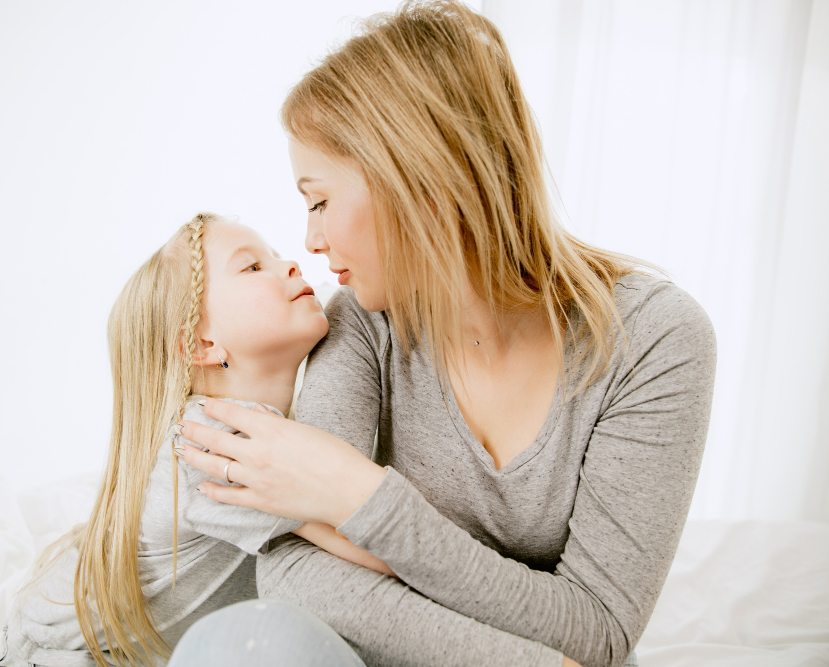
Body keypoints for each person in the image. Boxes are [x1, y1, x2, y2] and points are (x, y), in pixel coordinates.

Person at [172, 2, 718, 667]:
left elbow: (598, 630)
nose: (310, 241)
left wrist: (361, 494)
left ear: (415, 179)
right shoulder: (360, 321)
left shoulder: (657, 341)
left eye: (318, 199)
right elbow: (295, 573)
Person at [0, 213, 392, 667]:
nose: (290, 265)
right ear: (201, 345)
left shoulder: (259, 421)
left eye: (278, 256)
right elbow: (373, 550)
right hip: (62, 652)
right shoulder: (211, 447)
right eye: (252, 267)